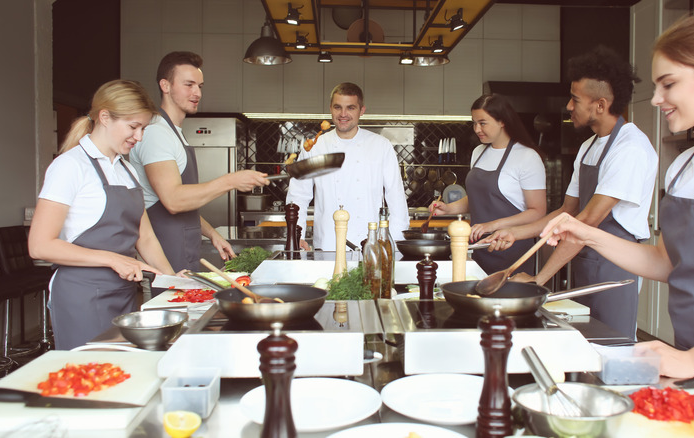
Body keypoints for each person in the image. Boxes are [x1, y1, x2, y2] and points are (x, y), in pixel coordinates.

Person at [538, 12, 694, 414]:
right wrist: (587, 234)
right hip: (688, 362)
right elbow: (665, 261)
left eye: (669, 84)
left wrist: (693, 360)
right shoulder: (683, 165)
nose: (656, 99)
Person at [482, 46, 658, 340]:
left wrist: (540, 278)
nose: (568, 106)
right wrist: (518, 233)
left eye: (575, 99)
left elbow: (586, 221)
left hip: (613, 269)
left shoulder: (630, 148)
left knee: (610, 349)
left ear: (600, 105)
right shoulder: (589, 147)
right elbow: (567, 211)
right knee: (583, 346)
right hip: (584, 263)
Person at [27, 80, 178, 350]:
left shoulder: (126, 170)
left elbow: (145, 237)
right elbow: (40, 246)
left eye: (143, 128)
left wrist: (174, 282)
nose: (139, 137)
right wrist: (114, 260)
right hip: (82, 295)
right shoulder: (69, 166)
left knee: (122, 377)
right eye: (133, 127)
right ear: (105, 117)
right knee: (91, 381)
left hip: (123, 294)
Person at [130, 51, 269, 278]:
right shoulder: (156, 133)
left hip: (182, 248)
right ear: (165, 85)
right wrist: (230, 181)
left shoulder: (174, 133)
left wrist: (211, 233)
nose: (197, 93)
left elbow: (187, 203)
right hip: (164, 253)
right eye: (189, 85)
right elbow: (174, 200)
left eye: (200, 86)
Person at [430, 94, 546, 275]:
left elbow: (538, 212)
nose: (477, 129)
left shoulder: (527, 157)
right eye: (474, 123)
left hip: (511, 249)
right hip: (479, 249)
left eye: (483, 123)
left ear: (502, 121)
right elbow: (480, 197)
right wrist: (449, 208)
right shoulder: (479, 152)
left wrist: (492, 225)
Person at [286, 82, 409, 250]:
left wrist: (395, 243)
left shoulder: (381, 146)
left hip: (369, 245)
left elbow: (396, 198)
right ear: (331, 108)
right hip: (328, 244)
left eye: (350, 108)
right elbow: (298, 195)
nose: (343, 114)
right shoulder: (316, 146)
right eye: (338, 107)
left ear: (362, 111)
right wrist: (296, 234)